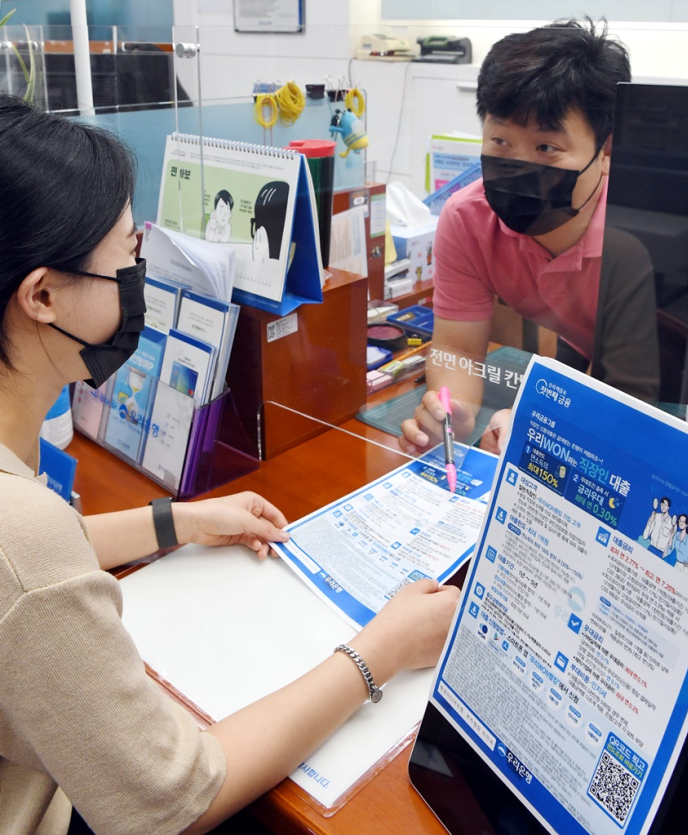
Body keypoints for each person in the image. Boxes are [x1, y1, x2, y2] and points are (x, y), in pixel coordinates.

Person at [0, 94, 459, 835]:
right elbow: (179, 797)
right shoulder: (18, 532)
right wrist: (379, 651)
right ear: (43, 295)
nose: (142, 272)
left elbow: (36, 563)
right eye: (128, 254)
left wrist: (175, 519)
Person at [400, 19, 659, 458]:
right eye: (500, 141)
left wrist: (543, 425)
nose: (519, 167)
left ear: (608, 149)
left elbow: (634, 397)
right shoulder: (468, 220)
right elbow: (456, 350)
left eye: (546, 149)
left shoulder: (638, 235)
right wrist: (455, 412)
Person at [663, 514, 688, 579]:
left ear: (687, 525)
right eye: (680, 521)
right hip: (676, 565)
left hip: (685, 568)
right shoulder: (676, 535)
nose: (681, 523)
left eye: (683, 522)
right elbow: (669, 552)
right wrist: (671, 537)